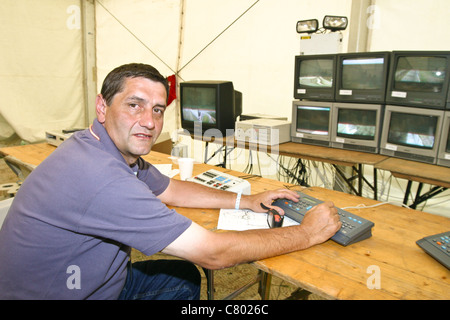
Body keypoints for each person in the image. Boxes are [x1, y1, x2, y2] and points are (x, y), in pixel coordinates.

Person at [0, 63, 341, 300]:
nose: (148, 121)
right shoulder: (102, 178)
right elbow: (214, 253)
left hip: (82, 283)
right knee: (190, 273)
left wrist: (246, 200)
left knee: (183, 277)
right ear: (102, 107)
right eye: (135, 105)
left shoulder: (96, 146)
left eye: (158, 110)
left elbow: (170, 188)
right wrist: (307, 232)